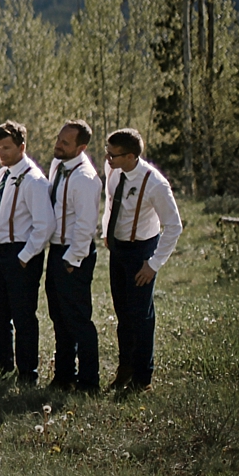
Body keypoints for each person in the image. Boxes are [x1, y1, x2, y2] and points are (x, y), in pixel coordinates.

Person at [102, 128, 183, 392]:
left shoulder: (155, 183)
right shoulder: (114, 170)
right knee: (123, 313)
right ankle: (125, 369)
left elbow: (174, 226)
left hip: (141, 251)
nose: (108, 159)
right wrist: (107, 232)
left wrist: (153, 263)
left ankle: (142, 378)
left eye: (113, 155)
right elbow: (110, 202)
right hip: (119, 249)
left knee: (141, 316)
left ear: (131, 156)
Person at [0, 121, 53, 384]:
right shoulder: (3, 174)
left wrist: (25, 256)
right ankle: (2, 368)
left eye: (7, 147)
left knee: (23, 316)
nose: (1, 153)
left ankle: (27, 373)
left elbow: (44, 225)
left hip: (21, 253)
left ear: (22, 147)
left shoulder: (34, 179)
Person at [46, 120, 102, 392]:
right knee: (59, 316)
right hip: (56, 250)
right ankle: (64, 375)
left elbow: (86, 224)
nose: (58, 144)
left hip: (73, 253)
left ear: (81, 147)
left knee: (78, 319)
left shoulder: (85, 178)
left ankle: (89, 381)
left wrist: (72, 259)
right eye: (59, 138)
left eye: (65, 143)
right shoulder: (57, 166)